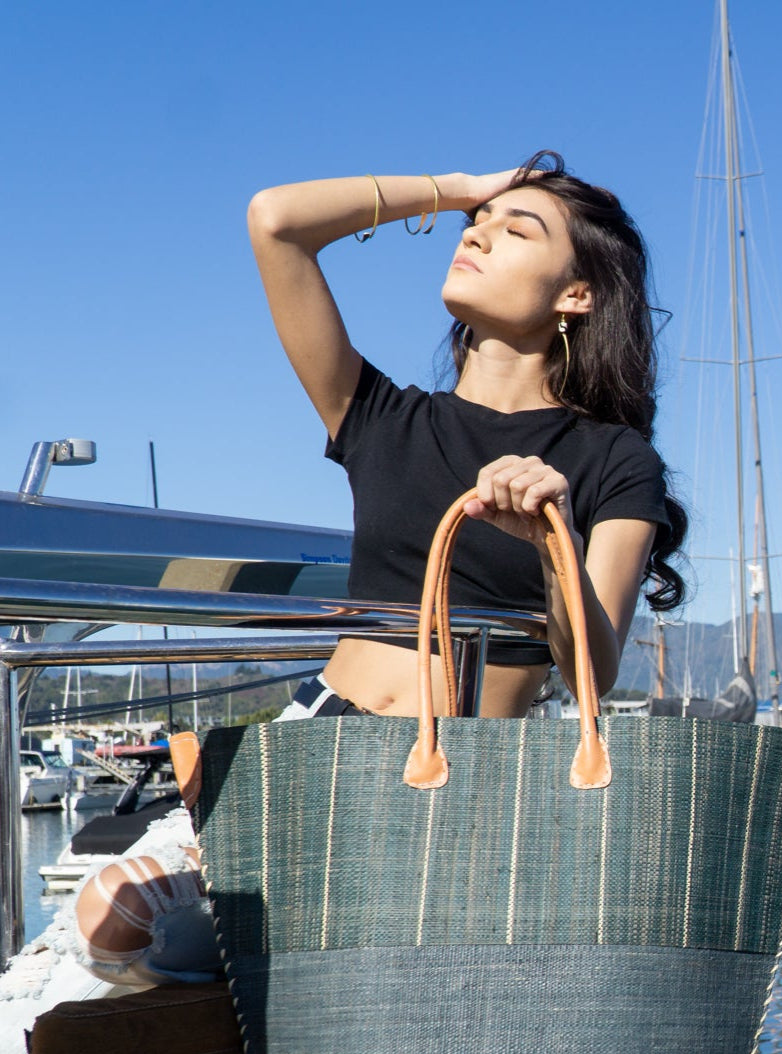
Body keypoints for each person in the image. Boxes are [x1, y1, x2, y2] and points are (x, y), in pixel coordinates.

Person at [74, 151, 687, 987]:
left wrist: (551, 540)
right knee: (110, 918)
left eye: (517, 229)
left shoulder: (613, 461)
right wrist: (460, 189)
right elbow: (276, 221)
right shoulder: (385, 419)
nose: (477, 234)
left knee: (349, 1000)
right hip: (322, 737)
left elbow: (593, 675)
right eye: (476, 225)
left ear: (574, 295)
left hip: (469, 779)